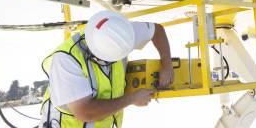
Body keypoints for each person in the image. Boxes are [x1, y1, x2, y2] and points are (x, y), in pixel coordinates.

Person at [39, 10, 173, 128]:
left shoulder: (121, 33)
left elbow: (157, 31)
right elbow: (85, 112)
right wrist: (132, 99)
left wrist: (167, 65)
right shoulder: (66, 60)